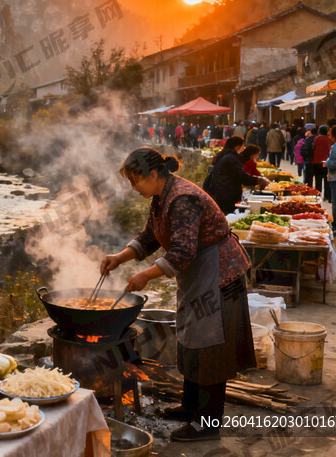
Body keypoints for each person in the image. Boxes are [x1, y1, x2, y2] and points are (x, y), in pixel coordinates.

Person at [101, 147, 256, 442]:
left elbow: (184, 250)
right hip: (199, 275)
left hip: (219, 275)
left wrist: (146, 275)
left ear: (154, 174)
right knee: (191, 338)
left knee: (210, 347)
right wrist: (120, 258)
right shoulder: (161, 196)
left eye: (136, 181)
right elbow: (150, 237)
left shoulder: (182, 197)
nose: (134, 188)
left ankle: (207, 426)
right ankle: (190, 407)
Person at [204, 136, 270, 215]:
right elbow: (241, 175)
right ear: (237, 146)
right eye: (242, 146)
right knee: (228, 215)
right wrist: (257, 180)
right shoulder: (231, 158)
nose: (243, 149)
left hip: (220, 192)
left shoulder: (224, 155)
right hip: (227, 194)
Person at [310, 125, 332, 197]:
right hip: (327, 162)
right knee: (327, 180)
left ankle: (318, 194)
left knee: (318, 180)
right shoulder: (329, 139)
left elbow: (313, 148)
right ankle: (327, 195)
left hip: (317, 161)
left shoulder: (317, 138)